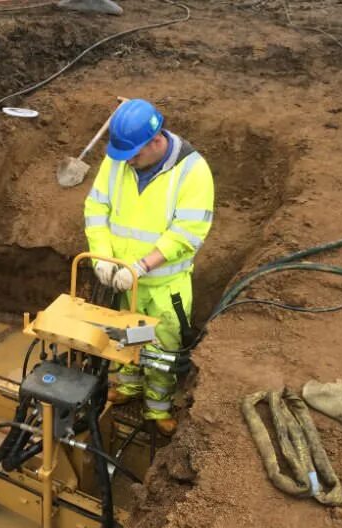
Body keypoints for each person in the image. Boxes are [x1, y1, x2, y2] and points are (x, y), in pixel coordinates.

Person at [83, 98, 214, 436]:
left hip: (163, 288)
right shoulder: (118, 161)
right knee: (122, 338)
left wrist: (141, 267)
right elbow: (96, 209)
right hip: (121, 282)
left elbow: (187, 234)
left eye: (134, 156)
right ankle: (128, 388)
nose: (127, 163)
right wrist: (101, 258)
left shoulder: (192, 171)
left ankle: (158, 408)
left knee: (161, 350)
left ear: (156, 141)